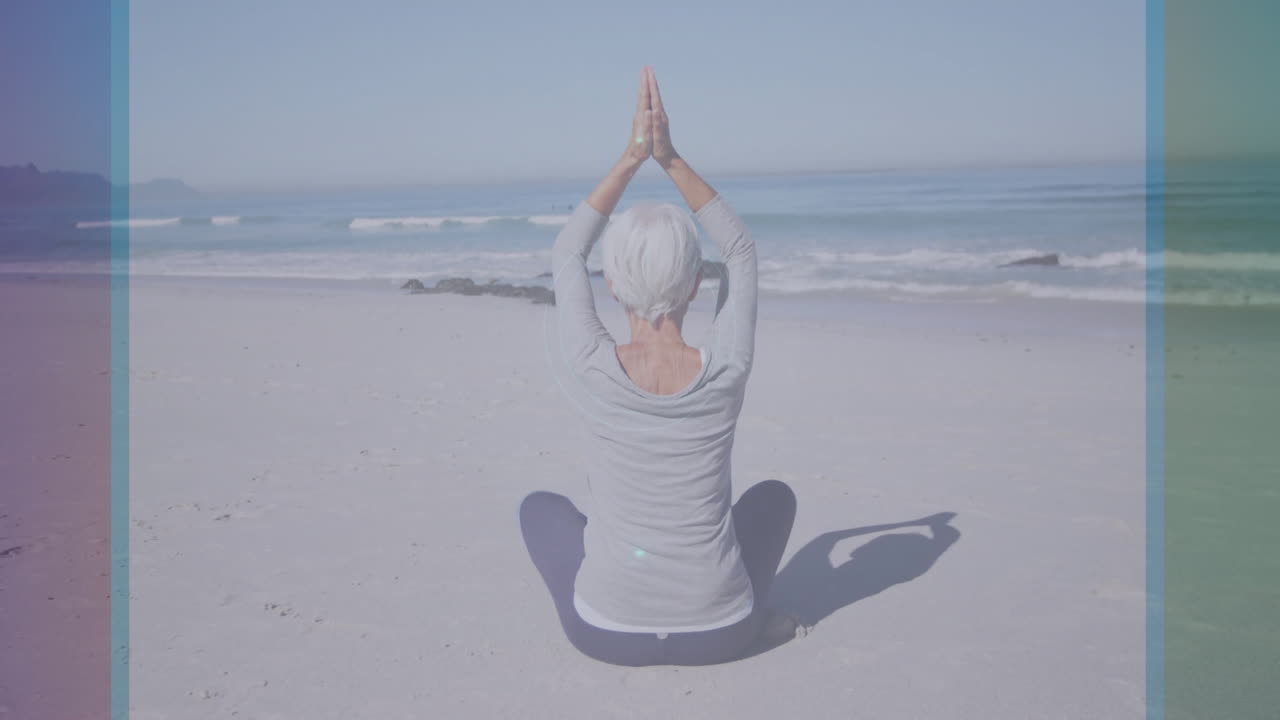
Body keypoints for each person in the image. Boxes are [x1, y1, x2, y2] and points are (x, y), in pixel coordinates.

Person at [519, 66, 802, 667]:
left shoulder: (590, 365)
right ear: (699, 285)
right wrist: (670, 158)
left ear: (612, 285)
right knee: (775, 498)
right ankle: (753, 616)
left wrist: (632, 158)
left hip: (603, 635)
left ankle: (615, 587)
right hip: (723, 632)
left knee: (541, 509)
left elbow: (568, 249)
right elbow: (742, 250)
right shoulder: (727, 367)